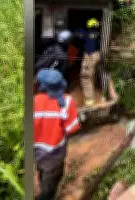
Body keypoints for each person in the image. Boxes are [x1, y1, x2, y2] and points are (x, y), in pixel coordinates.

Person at [33, 69, 80, 200]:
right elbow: (72, 129)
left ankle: (43, 187)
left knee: (42, 172)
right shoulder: (67, 102)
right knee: (50, 188)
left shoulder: (33, 102)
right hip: (55, 155)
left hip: (37, 152)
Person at [76, 18, 102, 106]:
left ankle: (90, 100)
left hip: (90, 56)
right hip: (97, 55)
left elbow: (81, 36)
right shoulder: (97, 34)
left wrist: (79, 31)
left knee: (85, 77)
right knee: (92, 76)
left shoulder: (89, 34)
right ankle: (93, 94)